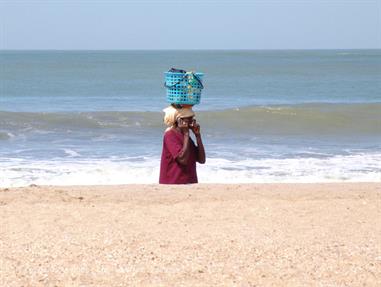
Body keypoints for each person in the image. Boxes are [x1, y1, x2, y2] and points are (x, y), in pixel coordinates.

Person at [159, 104, 206, 184]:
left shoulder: (187, 138)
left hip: (189, 182)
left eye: (192, 118)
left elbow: (201, 160)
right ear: (179, 121)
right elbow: (182, 160)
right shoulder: (170, 135)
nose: (192, 121)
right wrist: (186, 134)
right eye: (189, 118)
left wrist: (198, 136)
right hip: (173, 183)